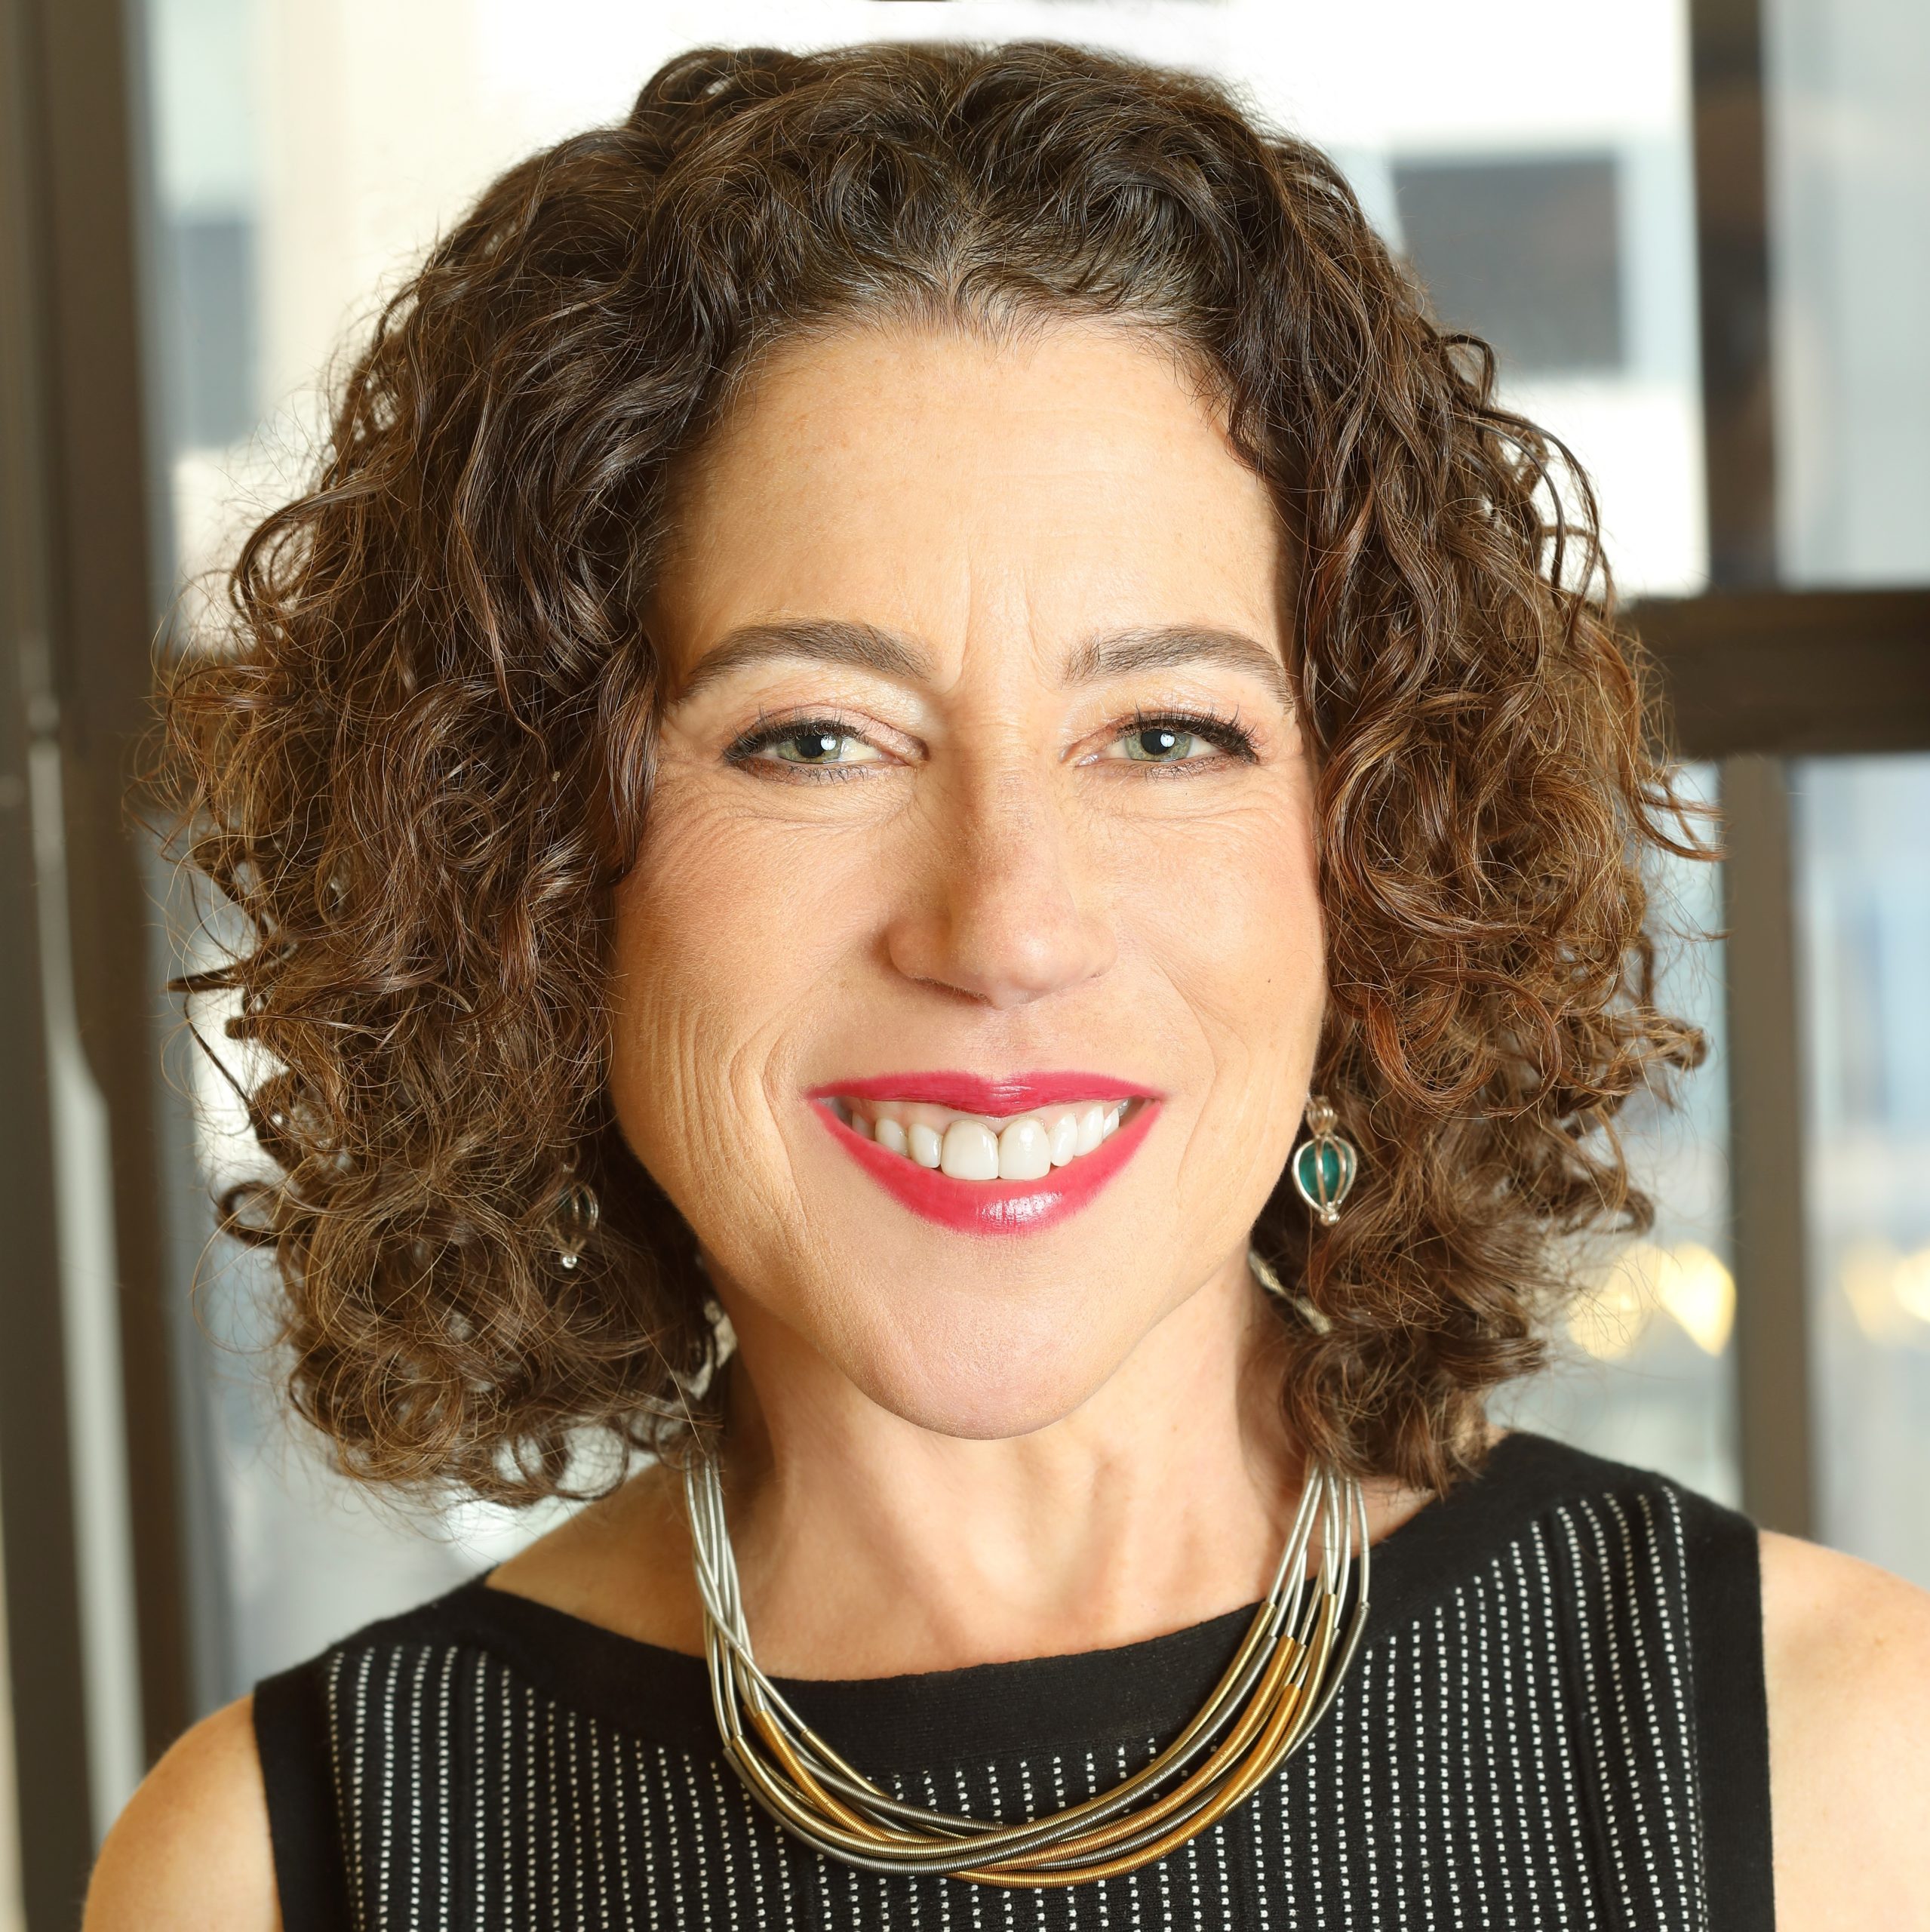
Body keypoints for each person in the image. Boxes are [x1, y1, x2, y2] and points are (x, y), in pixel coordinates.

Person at [89, 40, 1928, 1930]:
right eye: (813, 737)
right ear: (538, 873)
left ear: (1377, 858)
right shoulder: (275, 1866)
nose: (1005, 925)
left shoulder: (1845, 1770)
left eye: (1163, 732)